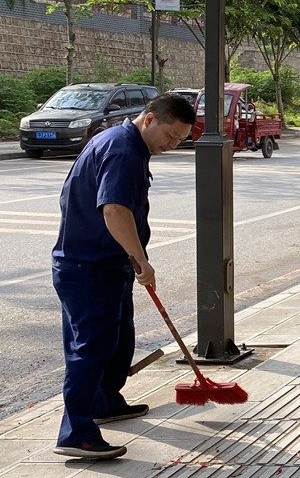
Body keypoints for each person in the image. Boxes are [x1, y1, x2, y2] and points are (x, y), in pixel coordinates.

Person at [51, 94, 195, 460]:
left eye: (180, 140)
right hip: (89, 267)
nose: (172, 145)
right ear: (149, 120)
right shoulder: (123, 150)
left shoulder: (122, 142)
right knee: (90, 349)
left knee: (116, 341)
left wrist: (131, 260)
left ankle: (105, 401)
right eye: (171, 136)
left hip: (104, 264)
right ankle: (76, 433)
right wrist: (140, 259)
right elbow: (114, 210)